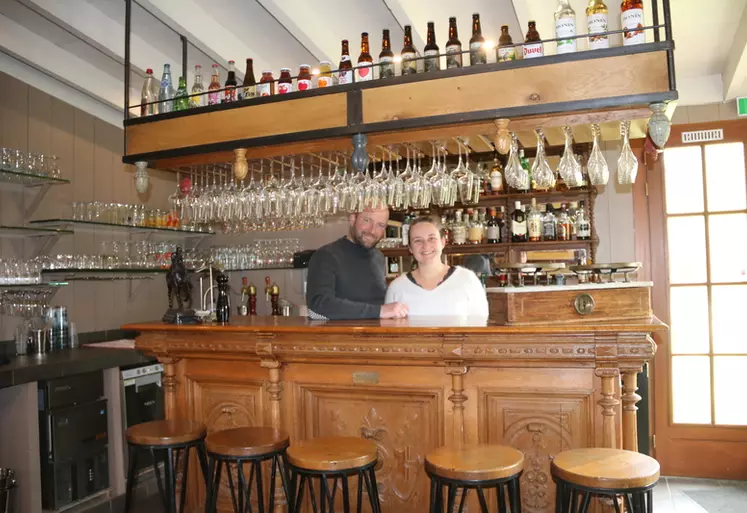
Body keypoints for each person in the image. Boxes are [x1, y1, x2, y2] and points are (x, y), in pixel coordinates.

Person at [306, 207, 409, 320]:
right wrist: (379, 311)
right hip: (342, 336)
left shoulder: (378, 257)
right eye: (367, 220)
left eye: (380, 225)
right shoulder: (326, 256)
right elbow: (318, 305)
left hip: (378, 335)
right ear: (352, 219)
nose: (372, 230)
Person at [385, 215, 489, 318]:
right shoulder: (397, 287)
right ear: (410, 248)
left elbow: (481, 328)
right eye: (418, 240)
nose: (426, 245)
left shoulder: (467, 279)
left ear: (443, 242)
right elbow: (389, 331)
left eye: (431, 238)